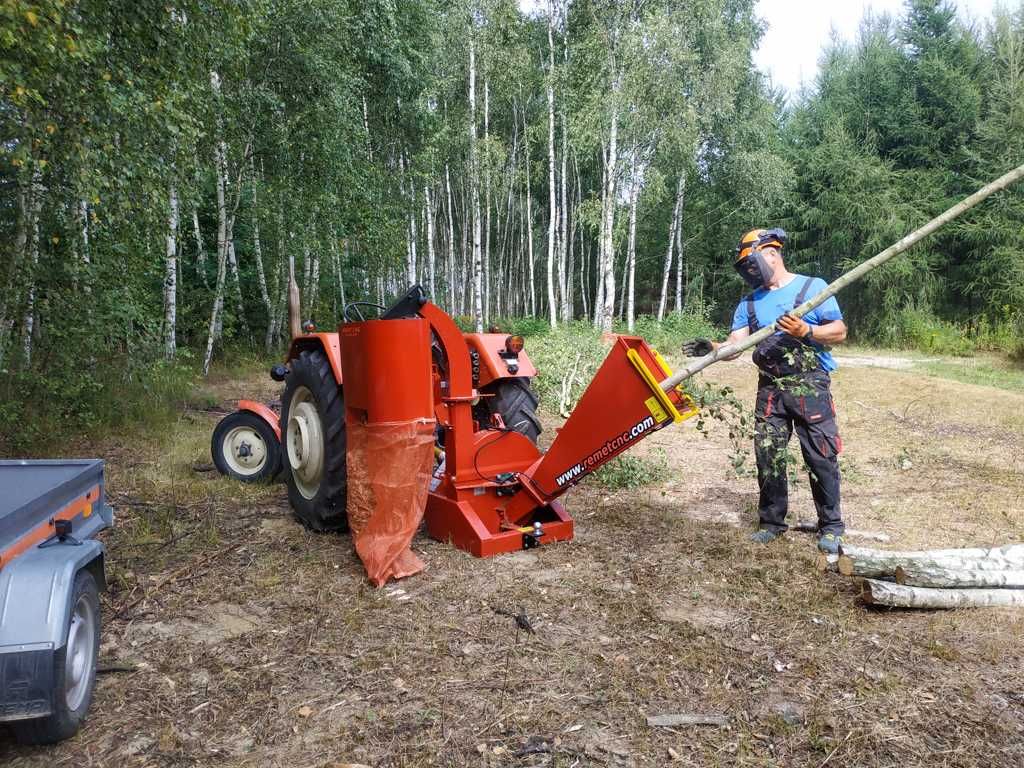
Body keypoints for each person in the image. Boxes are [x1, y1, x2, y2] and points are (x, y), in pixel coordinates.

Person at [682, 228, 848, 554]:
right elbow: (736, 346)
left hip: (810, 383)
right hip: (770, 387)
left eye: (752, 263)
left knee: (821, 455)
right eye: (746, 267)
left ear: (772, 253)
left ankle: (831, 526)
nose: (751, 272)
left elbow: (839, 331)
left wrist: (808, 330)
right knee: (767, 454)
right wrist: (713, 348)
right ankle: (772, 522)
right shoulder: (749, 302)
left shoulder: (812, 287)